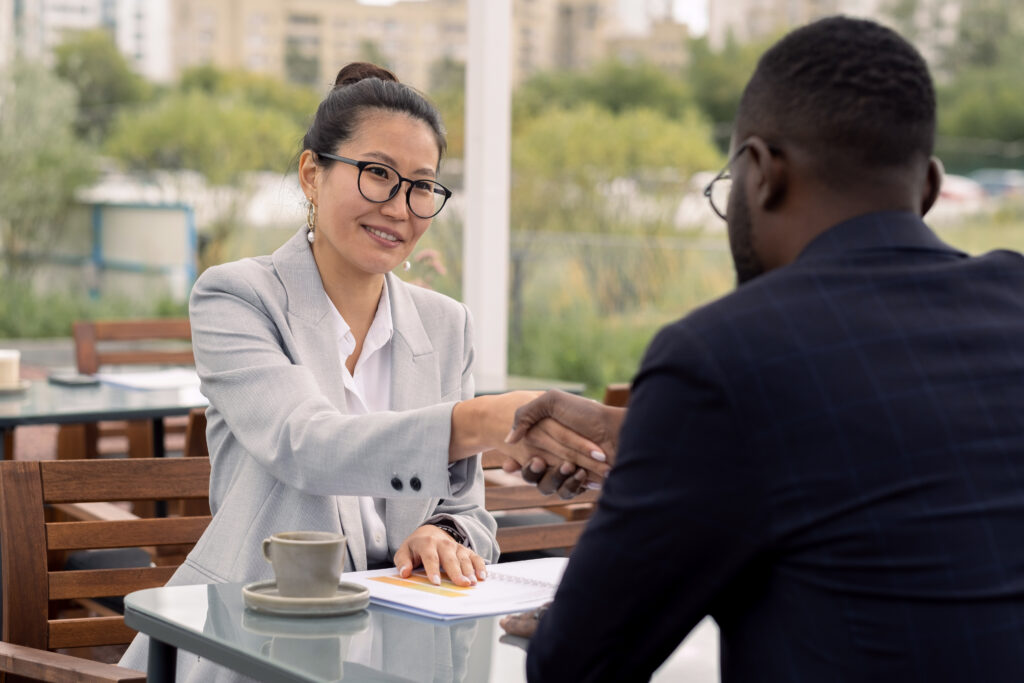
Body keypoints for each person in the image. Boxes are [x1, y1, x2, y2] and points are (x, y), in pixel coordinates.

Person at [504, 16, 1024, 682]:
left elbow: (577, 662)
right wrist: (650, 439)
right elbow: (906, 447)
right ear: (927, 188)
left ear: (759, 172)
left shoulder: (723, 354)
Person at [120, 62, 603, 679]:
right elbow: (307, 444)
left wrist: (444, 536)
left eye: (421, 185)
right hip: (251, 638)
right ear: (311, 175)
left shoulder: (447, 323)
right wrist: (482, 418)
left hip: (402, 647)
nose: (400, 207)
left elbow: (469, 510)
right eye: (377, 174)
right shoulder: (237, 297)